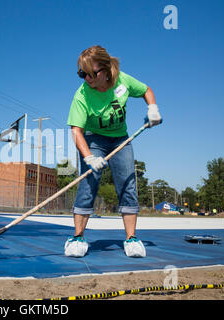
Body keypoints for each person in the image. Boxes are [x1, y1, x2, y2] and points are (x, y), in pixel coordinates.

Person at [65, 45, 162, 258]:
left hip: (120, 140)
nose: (87, 78)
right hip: (93, 140)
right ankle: (77, 237)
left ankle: (131, 239)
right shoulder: (82, 95)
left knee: (128, 184)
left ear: (107, 69)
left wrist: (152, 108)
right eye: (82, 74)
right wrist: (89, 156)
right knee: (89, 184)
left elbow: (146, 90)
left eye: (92, 73)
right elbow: (76, 131)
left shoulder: (123, 81)